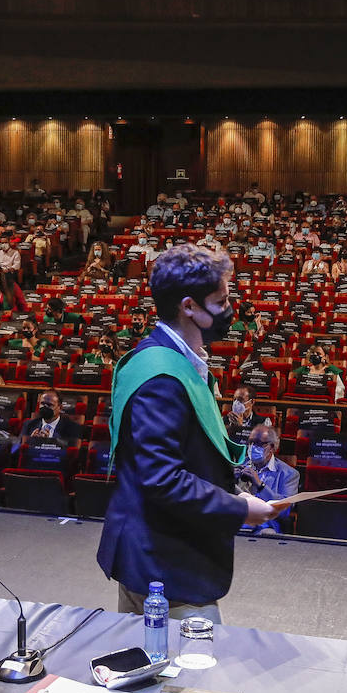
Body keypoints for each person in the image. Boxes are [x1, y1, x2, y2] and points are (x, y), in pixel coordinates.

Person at [98, 245, 277, 623]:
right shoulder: (161, 377)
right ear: (189, 307)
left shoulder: (167, 359)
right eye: (221, 301)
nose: (231, 310)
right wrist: (240, 508)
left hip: (155, 551)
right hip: (165, 564)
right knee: (191, 675)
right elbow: (162, 478)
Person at [236, 425, 299, 536]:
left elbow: (285, 511)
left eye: (259, 444)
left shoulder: (289, 474)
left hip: (264, 527)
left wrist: (260, 486)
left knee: (268, 535)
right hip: (237, 523)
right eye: (251, 442)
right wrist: (230, 480)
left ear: (272, 447)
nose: (253, 447)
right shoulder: (239, 465)